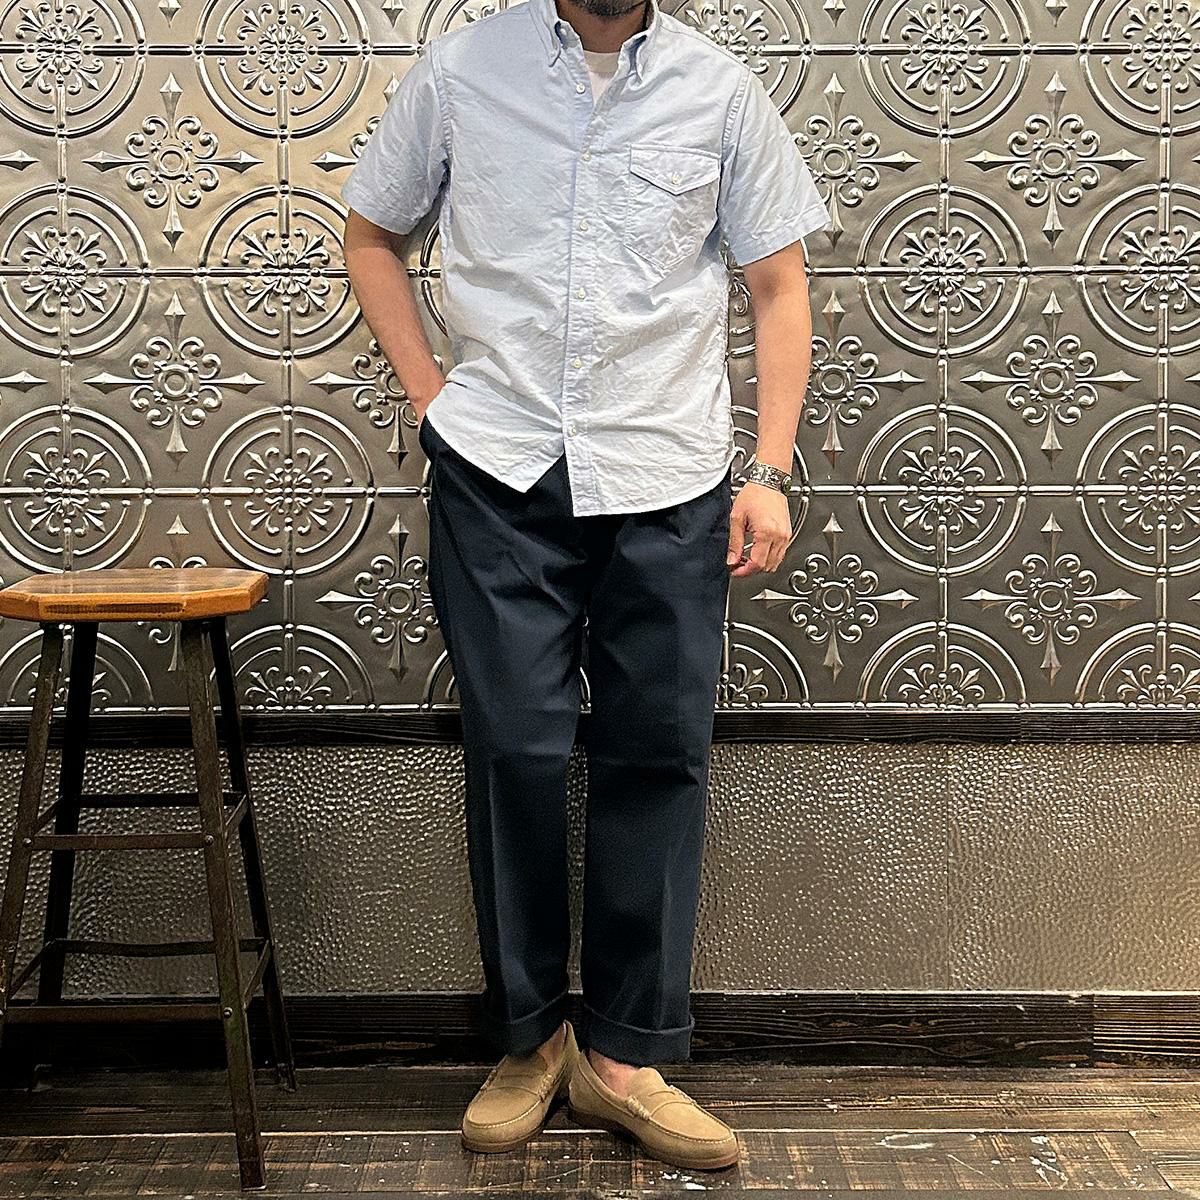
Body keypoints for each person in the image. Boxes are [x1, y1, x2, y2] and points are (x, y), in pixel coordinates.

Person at [341, 0, 831, 1172]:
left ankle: (624, 1057)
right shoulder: (460, 73)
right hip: (498, 470)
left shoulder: (720, 91)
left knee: (658, 751)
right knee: (512, 747)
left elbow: (779, 286)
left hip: (668, 475)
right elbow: (370, 235)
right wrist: (433, 402)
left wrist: (768, 471)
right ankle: (530, 1039)